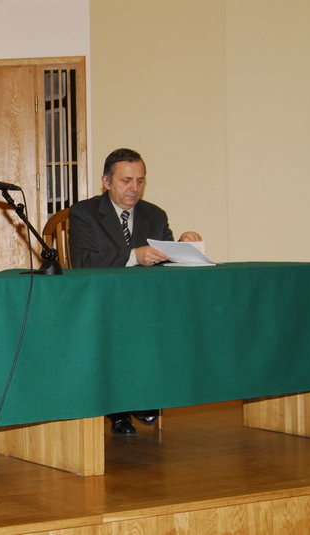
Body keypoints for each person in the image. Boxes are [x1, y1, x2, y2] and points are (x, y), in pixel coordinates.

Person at [69, 148, 202, 436]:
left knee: (173, 323)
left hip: (143, 303)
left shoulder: (154, 214)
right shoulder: (84, 212)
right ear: (106, 181)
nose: (134, 188)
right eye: (126, 180)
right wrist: (133, 256)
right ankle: (121, 411)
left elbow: (166, 260)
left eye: (140, 181)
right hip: (102, 301)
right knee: (120, 329)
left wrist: (184, 245)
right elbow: (82, 260)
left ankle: (144, 395)